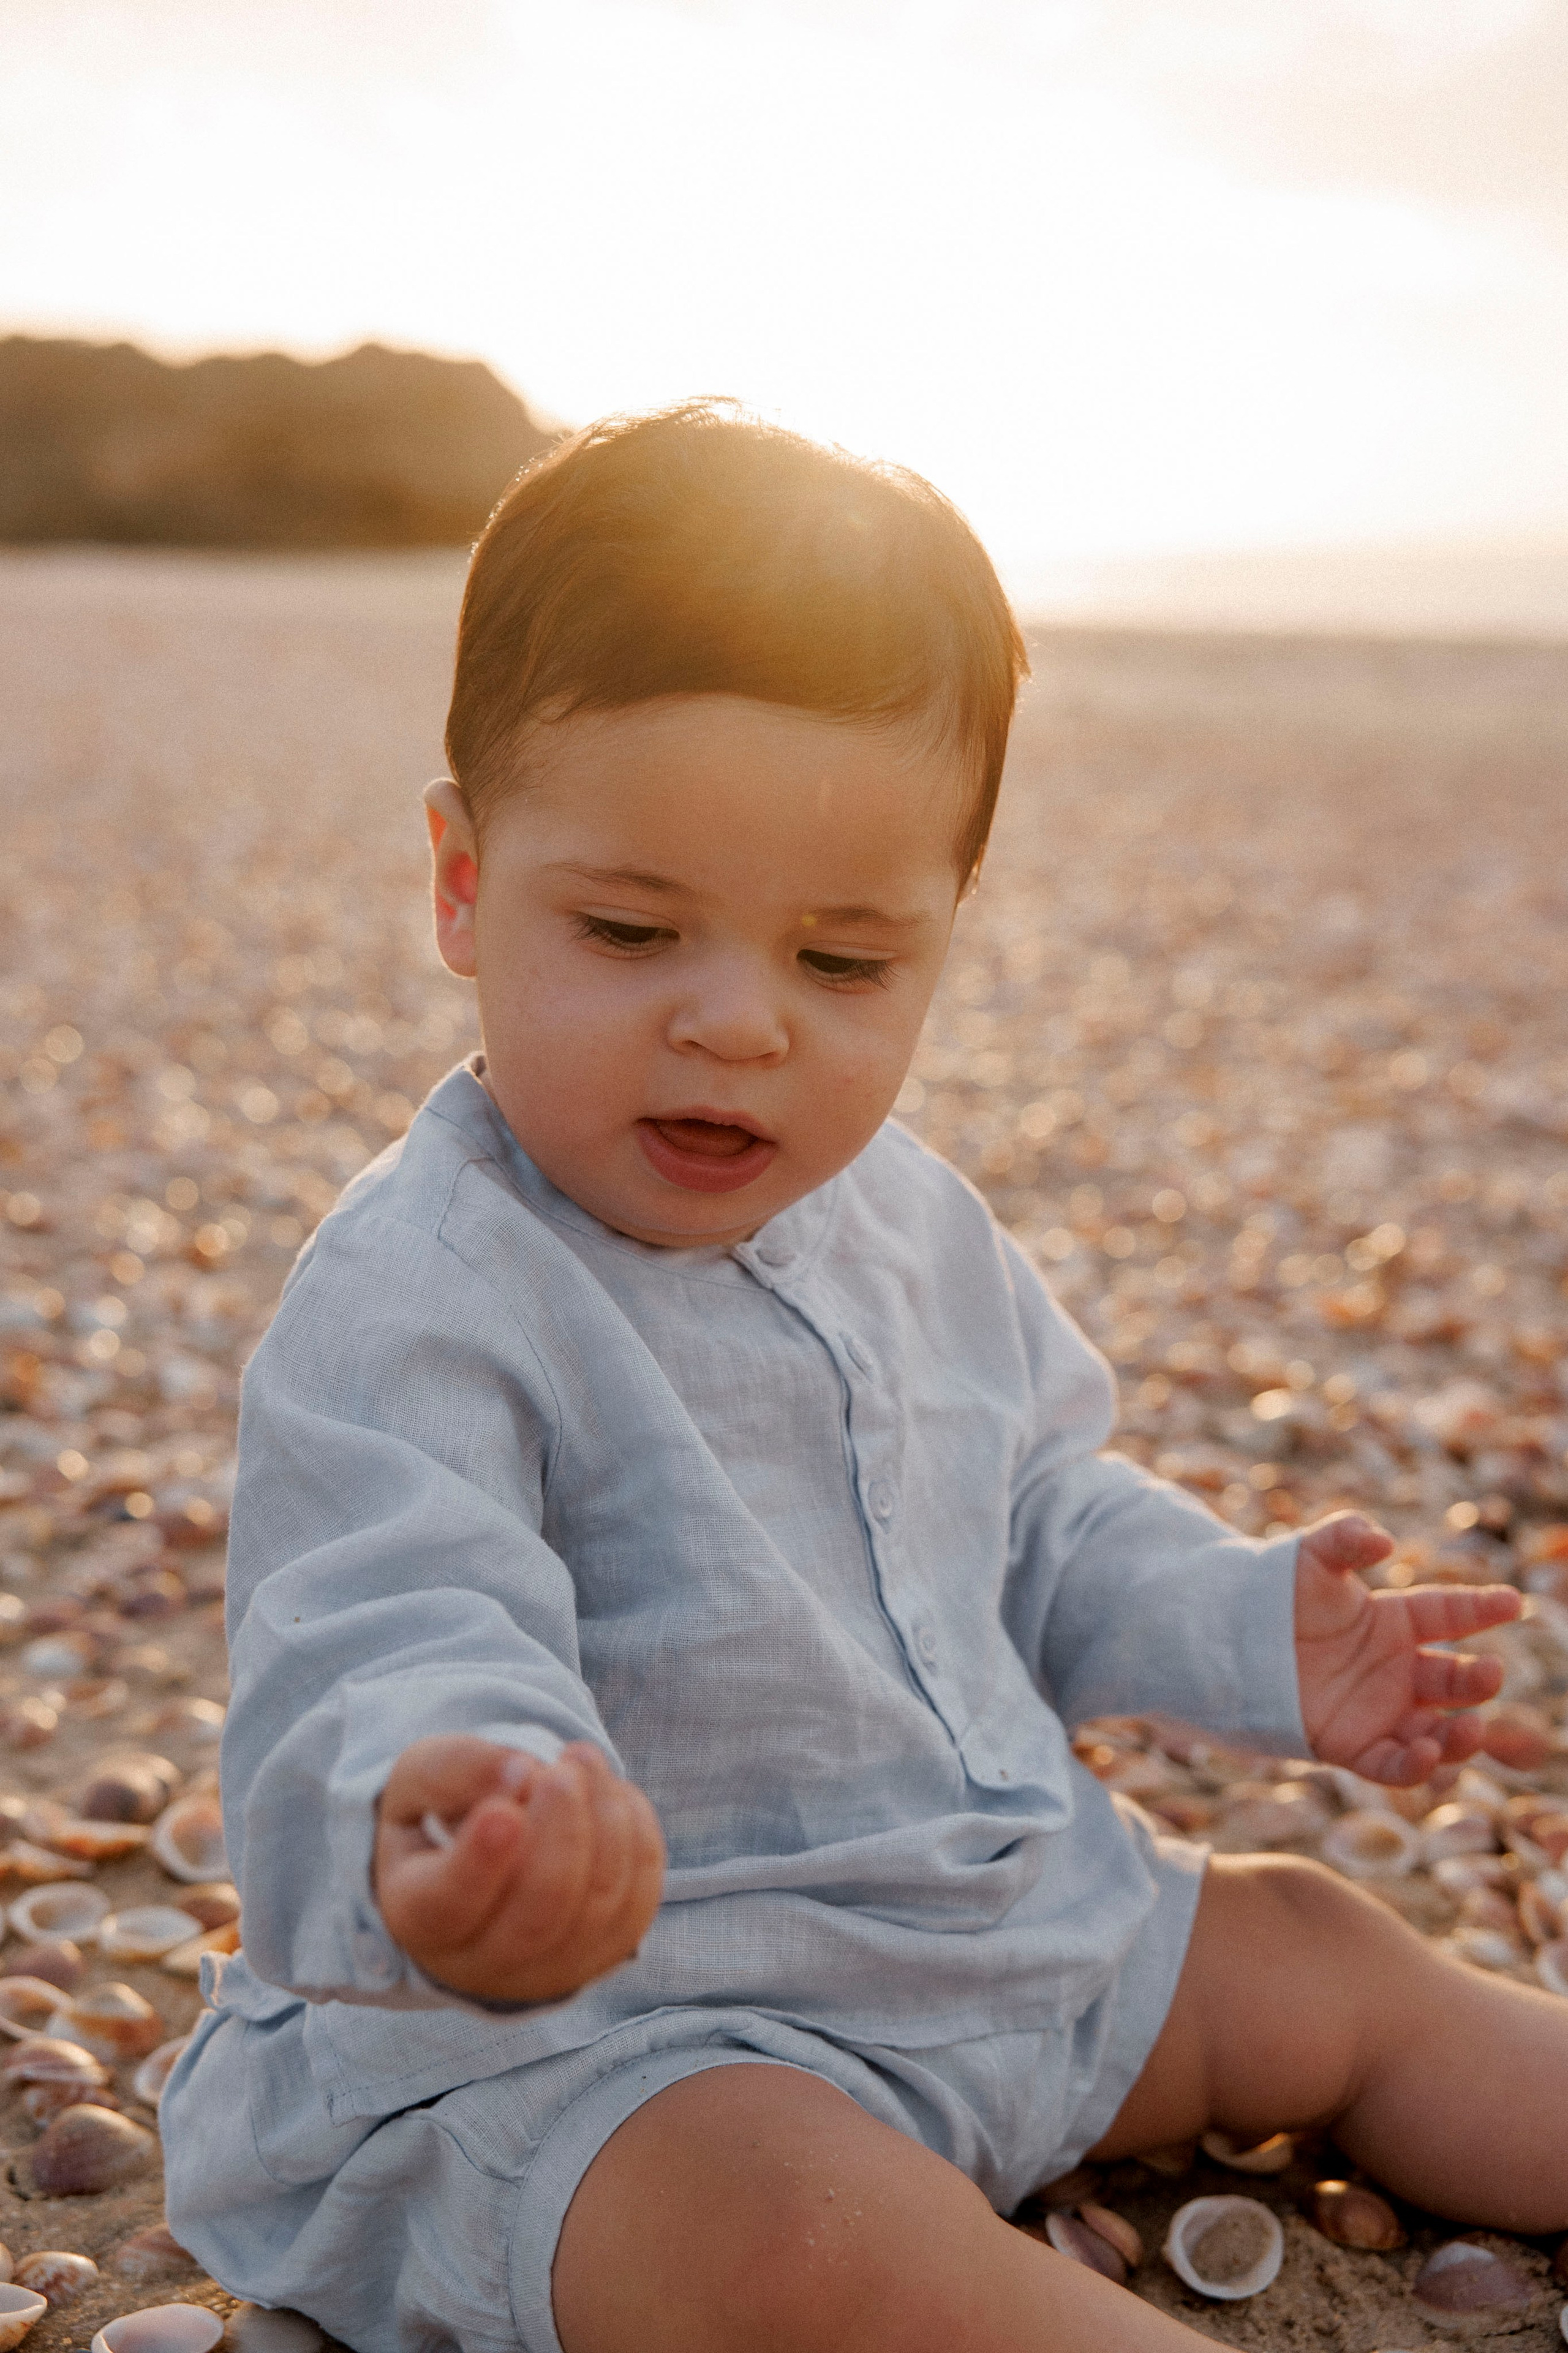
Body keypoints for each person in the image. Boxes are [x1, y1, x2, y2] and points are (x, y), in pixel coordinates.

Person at [162, 404, 1564, 2353]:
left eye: (845, 962)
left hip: (975, 1929)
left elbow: (1045, 1519)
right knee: (793, 2242)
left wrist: (1256, 1628)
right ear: (464, 885)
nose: (737, 1019)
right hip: (612, 2034)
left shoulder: (913, 1222)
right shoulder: (422, 1294)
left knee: (1317, 1949)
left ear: (942, 943)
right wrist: (459, 1815)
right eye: (632, 927)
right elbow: (389, 1608)